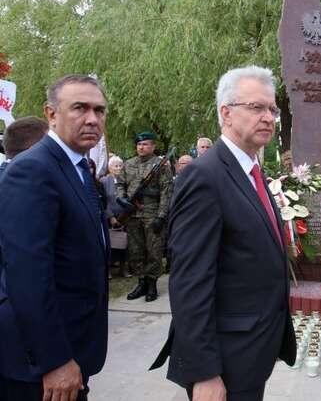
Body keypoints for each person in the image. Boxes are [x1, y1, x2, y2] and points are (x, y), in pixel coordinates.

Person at [151, 66, 296, 401]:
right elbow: (190, 281)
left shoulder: (250, 170)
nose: (268, 117)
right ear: (226, 113)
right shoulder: (205, 176)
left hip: (251, 350)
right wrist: (204, 371)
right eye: (256, 107)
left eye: (272, 109)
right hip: (225, 359)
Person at [0, 74, 109, 401]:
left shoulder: (76, 167)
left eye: (99, 110)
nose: (92, 119)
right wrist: (54, 360)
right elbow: (27, 275)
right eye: (80, 108)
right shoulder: (33, 169)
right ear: (51, 114)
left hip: (74, 346)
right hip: (40, 365)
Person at [116, 132, 173, 302]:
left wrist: (161, 216)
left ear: (153, 146)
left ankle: (152, 284)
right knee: (135, 251)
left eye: (146, 144)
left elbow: (166, 192)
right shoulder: (128, 164)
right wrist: (121, 198)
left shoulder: (161, 165)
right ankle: (141, 282)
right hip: (132, 214)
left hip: (152, 213)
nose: (141, 147)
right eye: (139, 144)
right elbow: (120, 184)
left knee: (154, 251)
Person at [101, 155, 131, 279]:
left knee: (124, 243)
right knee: (110, 244)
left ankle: (123, 269)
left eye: (120, 166)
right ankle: (108, 269)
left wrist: (125, 215)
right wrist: (111, 217)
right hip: (110, 217)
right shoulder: (104, 181)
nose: (118, 168)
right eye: (116, 166)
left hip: (124, 216)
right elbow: (104, 201)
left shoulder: (125, 181)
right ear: (110, 168)